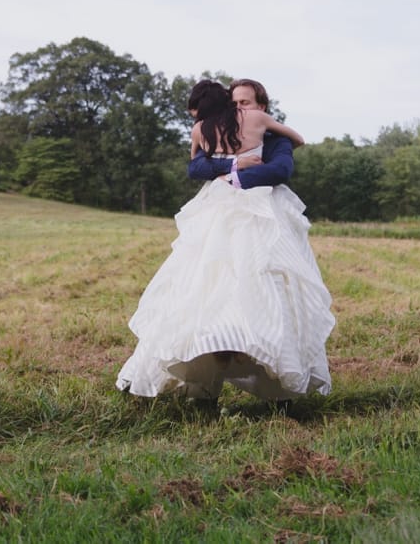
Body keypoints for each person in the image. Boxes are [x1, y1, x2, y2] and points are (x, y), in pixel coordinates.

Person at [116, 80, 335, 402]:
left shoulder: (274, 137)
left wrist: (235, 179)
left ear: (262, 105)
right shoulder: (220, 128)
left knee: (266, 282)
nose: (239, 109)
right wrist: (232, 164)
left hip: (262, 211)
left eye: (246, 102)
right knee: (204, 280)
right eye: (235, 103)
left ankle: (279, 379)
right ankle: (199, 377)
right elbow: (198, 165)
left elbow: (281, 169)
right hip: (219, 212)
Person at [187, 78, 296, 188]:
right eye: (233, 104)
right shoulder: (214, 137)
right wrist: (236, 163)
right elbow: (196, 167)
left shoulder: (278, 141)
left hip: (260, 200)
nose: (237, 109)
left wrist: (229, 179)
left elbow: (280, 170)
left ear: (261, 107)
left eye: (244, 103)